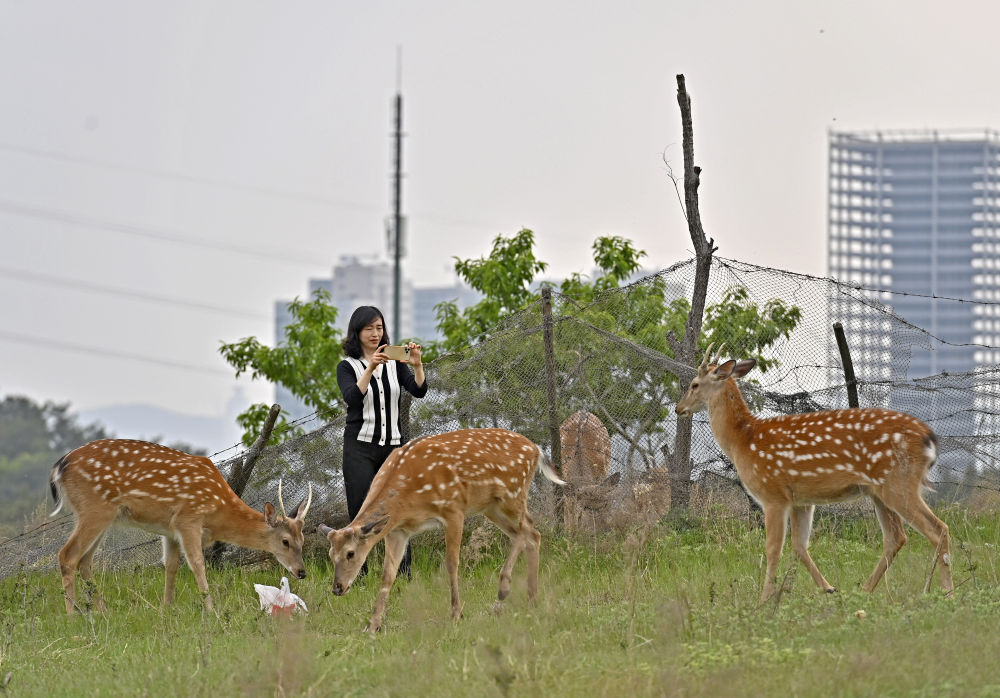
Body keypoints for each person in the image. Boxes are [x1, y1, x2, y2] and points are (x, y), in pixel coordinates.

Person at [337, 306, 427, 578]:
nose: (375, 333)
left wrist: (418, 365)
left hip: (393, 448)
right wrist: (371, 368)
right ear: (357, 333)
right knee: (360, 512)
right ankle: (358, 574)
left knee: (397, 509)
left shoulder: (396, 365)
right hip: (359, 449)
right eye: (369, 329)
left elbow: (419, 390)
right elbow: (352, 397)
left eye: (379, 327)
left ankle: (403, 573)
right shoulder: (347, 366)